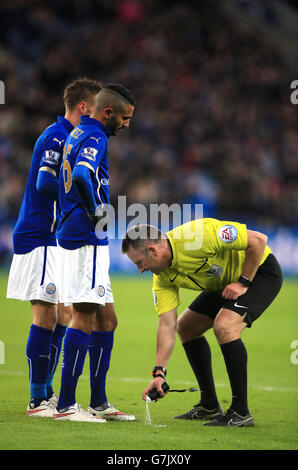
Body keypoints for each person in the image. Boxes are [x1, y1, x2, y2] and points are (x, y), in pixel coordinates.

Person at [121, 218, 283, 427]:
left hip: (258, 272)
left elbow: (258, 240)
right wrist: (159, 372)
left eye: (139, 263)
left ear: (153, 250)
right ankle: (209, 405)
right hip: (226, 282)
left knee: (225, 326)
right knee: (186, 327)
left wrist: (244, 282)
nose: (140, 270)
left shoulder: (197, 235)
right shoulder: (162, 278)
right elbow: (167, 325)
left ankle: (240, 412)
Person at [7, 77, 102, 417]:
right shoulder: (57, 135)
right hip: (41, 234)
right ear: (83, 107)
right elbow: (44, 180)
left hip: (54, 237)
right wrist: (76, 202)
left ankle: (46, 393)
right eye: (97, 107)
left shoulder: (71, 137)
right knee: (46, 314)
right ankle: (36, 400)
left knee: (62, 313)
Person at [53, 83, 136, 423]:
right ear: (107, 113)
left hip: (87, 236)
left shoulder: (79, 132)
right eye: (125, 118)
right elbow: (85, 176)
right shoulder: (96, 136)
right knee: (84, 315)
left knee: (107, 319)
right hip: (84, 234)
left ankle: (99, 402)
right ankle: (66, 406)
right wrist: (96, 210)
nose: (126, 124)